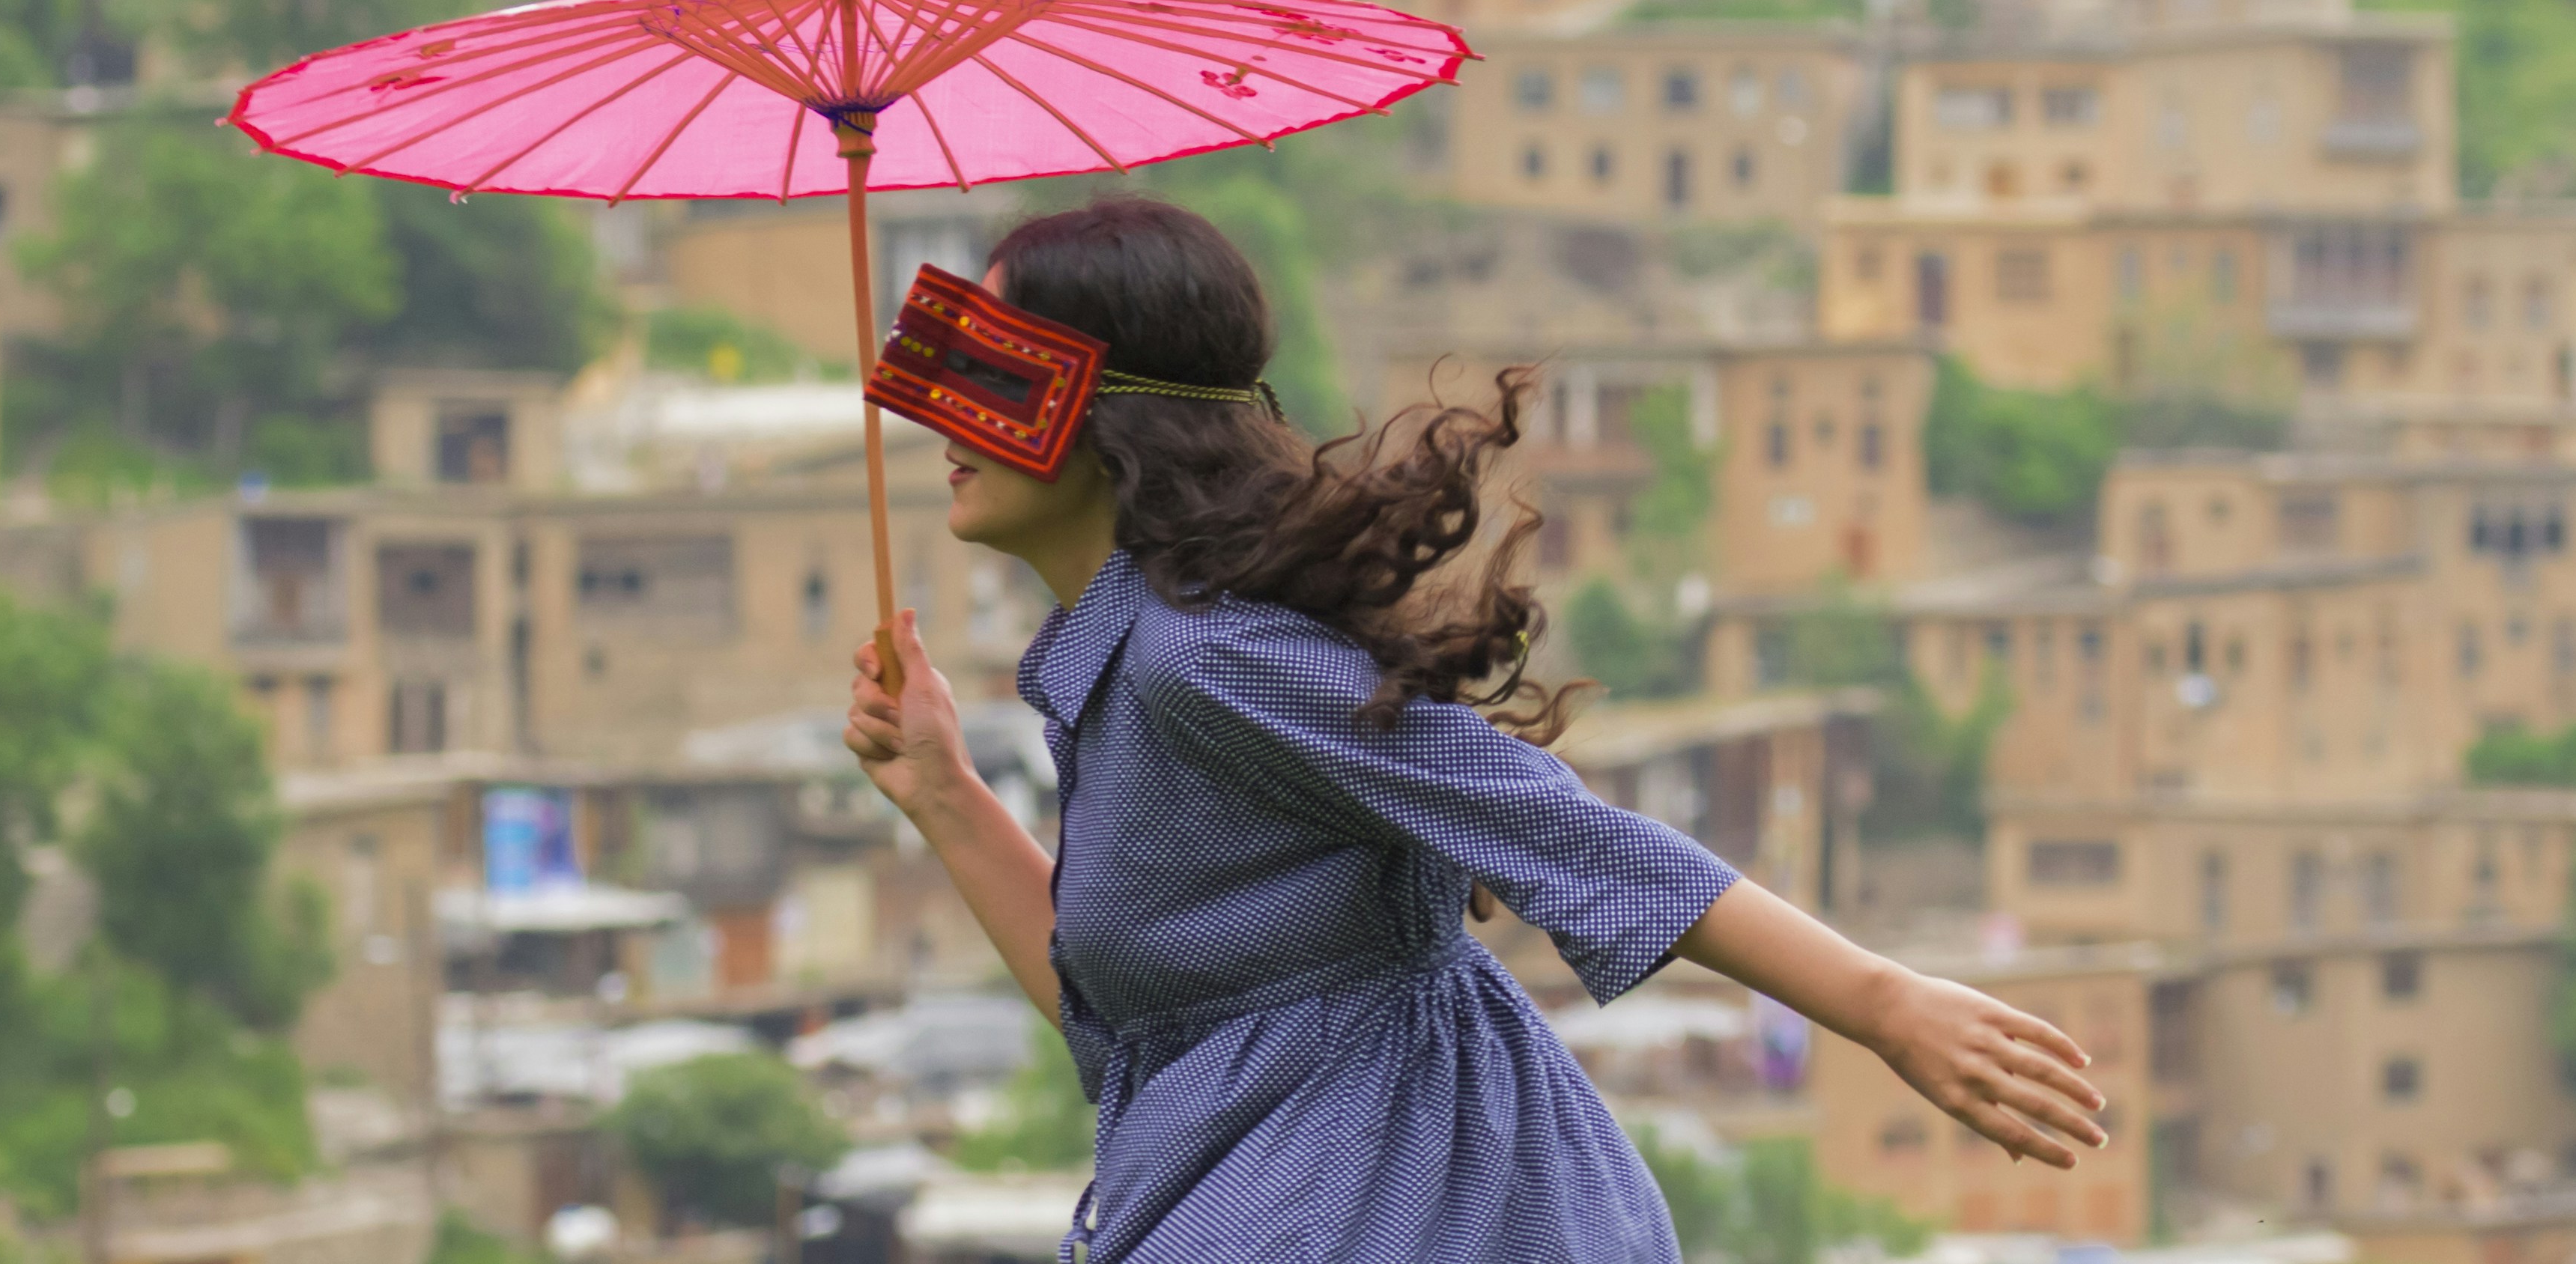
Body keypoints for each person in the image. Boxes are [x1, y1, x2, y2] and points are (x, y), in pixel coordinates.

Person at [844, 197, 2104, 1263]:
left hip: (1419, 1207)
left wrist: (1883, 1004)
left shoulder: (1208, 657)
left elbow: (1552, 828)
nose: (940, 412)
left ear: (1104, 404)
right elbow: (1128, 1035)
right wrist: (945, 791)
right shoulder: (1123, 666)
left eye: (987, 367)